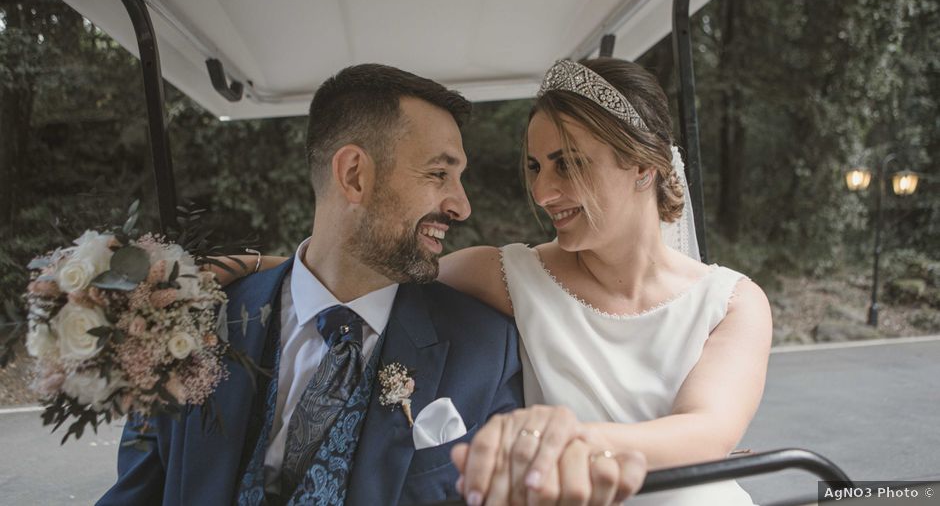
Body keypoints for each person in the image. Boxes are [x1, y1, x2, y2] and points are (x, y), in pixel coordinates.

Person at [221, 58, 771, 505]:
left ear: (644, 167)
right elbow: (369, 263)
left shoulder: (732, 302)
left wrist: (559, 444)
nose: (544, 191)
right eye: (535, 167)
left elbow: (706, 431)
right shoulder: (508, 275)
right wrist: (250, 266)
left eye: (568, 164)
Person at [98, 64, 643, 506]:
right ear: (355, 175)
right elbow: (136, 493)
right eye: (438, 174)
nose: (461, 204)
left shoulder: (487, 350)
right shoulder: (189, 325)